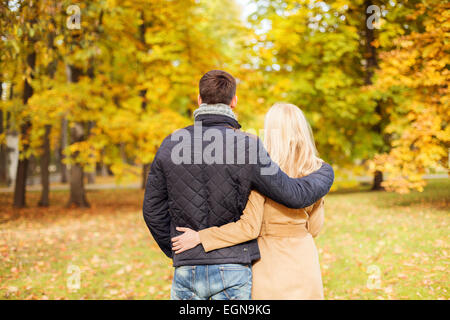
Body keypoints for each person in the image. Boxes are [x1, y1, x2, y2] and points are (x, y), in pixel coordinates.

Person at [143, 70, 334, 300]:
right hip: (235, 266)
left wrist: (179, 250)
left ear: (199, 99)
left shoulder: (171, 143)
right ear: (234, 101)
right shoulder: (248, 146)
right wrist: (324, 172)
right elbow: (293, 196)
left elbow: (152, 210)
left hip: (189, 265)